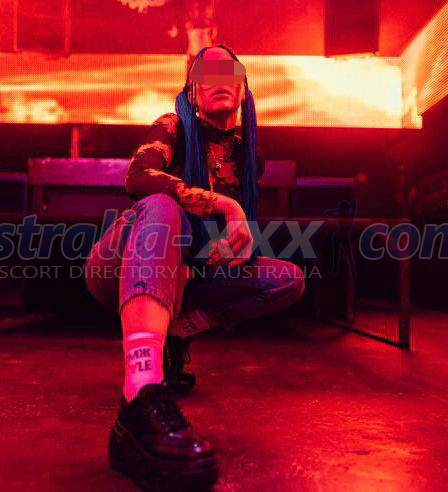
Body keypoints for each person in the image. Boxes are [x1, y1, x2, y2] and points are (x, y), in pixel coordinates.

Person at [85, 44, 305, 491]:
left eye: (229, 71)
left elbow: (222, 241)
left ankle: (173, 334)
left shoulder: (248, 155)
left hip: (188, 276)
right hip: (123, 264)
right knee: (161, 205)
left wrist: (222, 253)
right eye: (207, 71)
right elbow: (139, 177)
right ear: (192, 90)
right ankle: (141, 389)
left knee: (287, 278)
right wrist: (223, 204)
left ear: (244, 89)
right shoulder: (172, 127)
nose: (219, 78)